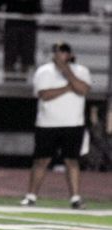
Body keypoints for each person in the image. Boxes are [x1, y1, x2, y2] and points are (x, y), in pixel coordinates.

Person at [20, 42, 91, 209]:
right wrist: (68, 87)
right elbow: (44, 94)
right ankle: (31, 196)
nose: (62, 55)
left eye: (65, 52)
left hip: (73, 123)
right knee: (41, 160)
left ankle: (75, 198)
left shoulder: (81, 71)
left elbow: (83, 89)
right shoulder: (44, 71)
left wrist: (68, 73)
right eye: (59, 52)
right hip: (47, 124)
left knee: (72, 161)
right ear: (53, 54)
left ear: (70, 54)